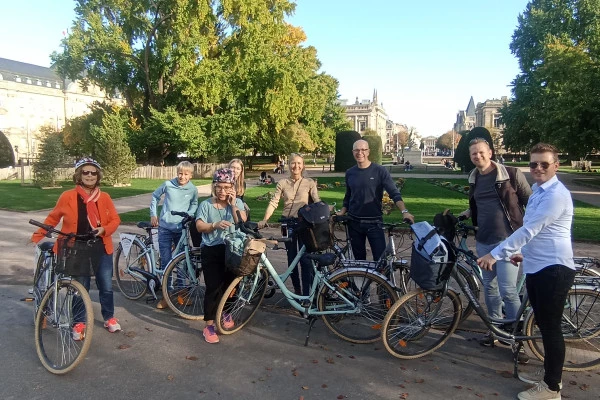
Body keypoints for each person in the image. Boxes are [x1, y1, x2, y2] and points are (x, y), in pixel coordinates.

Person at [478, 143, 575, 400]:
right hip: (538, 265)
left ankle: (552, 388)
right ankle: (550, 377)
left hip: (553, 269)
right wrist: (521, 254)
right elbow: (538, 233)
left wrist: (496, 254)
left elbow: (527, 231)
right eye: (533, 164)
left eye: (545, 164)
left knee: (551, 329)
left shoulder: (555, 195)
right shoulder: (539, 191)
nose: (538, 168)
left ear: (556, 165)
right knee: (544, 325)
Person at [31, 157, 122, 337]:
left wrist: (104, 229)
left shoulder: (104, 197)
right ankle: (79, 322)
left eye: (93, 172)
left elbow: (115, 220)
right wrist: (37, 235)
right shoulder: (68, 196)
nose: (89, 175)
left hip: (101, 247)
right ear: (79, 175)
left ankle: (109, 317)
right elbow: (53, 218)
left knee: (106, 286)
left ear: (98, 175)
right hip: (77, 248)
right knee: (81, 287)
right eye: (85, 172)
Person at [459, 137, 532, 350]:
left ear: (490, 152)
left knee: (508, 290)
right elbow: (478, 205)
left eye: (481, 152)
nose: (478, 156)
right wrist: (465, 214)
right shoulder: (474, 178)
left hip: (508, 241)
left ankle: (517, 339)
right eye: (474, 153)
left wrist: (529, 231)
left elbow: (531, 201)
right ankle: (495, 331)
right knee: (490, 290)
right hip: (484, 241)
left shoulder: (510, 174)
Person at [338, 139, 414, 261]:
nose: (360, 152)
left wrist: (404, 211)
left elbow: (394, 193)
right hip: (354, 222)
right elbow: (348, 195)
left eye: (363, 150)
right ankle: (360, 280)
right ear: (353, 152)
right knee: (359, 261)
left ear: (368, 152)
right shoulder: (350, 173)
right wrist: (342, 211)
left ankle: (382, 280)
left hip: (374, 222)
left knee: (381, 260)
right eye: (357, 150)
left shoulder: (380, 171)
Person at [195, 168, 247, 344]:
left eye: (226, 187)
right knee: (213, 287)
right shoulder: (206, 205)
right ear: (213, 186)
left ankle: (225, 313)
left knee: (231, 286)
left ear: (232, 186)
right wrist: (214, 225)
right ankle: (209, 325)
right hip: (212, 249)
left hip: (232, 249)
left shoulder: (237, 203)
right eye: (219, 187)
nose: (222, 191)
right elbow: (199, 226)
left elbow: (242, 222)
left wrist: (233, 205)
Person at [258, 153, 319, 296]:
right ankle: (296, 291)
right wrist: (265, 219)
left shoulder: (309, 182)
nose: (296, 166)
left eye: (299, 163)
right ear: (288, 164)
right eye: (293, 163)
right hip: (287, 223)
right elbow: (274, 202)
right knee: (291, 260)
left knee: (305, 260)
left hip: (303, 223)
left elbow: (317, 202)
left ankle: (306, 294)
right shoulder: (283, 183)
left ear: (303, 165)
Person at [150, 161, 198, 309]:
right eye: (180, 173)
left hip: (181, 229)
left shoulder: (193, 189)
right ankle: (166, 295)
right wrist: (153, 214)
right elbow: (155, 196)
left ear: (191, 175)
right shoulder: (168, 184)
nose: (182, 176)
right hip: (165, 228)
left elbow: (194, 204)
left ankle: (182, 294)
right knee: (166, 262)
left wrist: (189, 215)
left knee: (182, 262)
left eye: (185, 174)